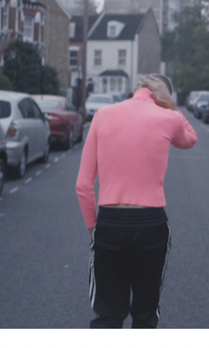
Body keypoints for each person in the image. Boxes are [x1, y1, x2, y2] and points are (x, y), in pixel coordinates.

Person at [73, 73, 195, 328]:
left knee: (108, 315)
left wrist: (93, 229)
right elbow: (190, 139)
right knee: (145, 315)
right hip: (151, 224)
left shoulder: (103, 115)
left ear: (138, 88)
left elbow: (83, 186)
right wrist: (171, 105)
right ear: (163, 96)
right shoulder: (170, 118)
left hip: (110, 223)